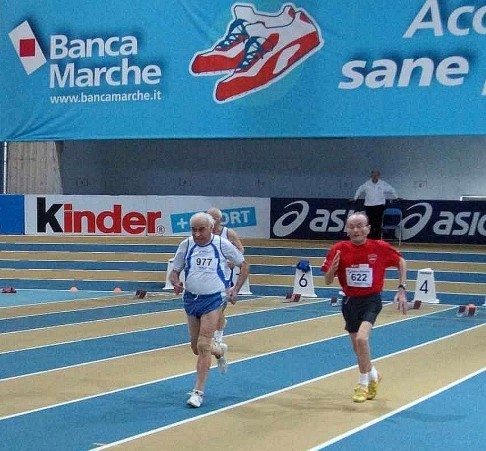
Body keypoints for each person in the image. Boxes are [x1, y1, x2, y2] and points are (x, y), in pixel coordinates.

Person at [321, 212, 407, 403]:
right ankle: (374, 375)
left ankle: (363, 383)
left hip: (371, 300)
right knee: (357, 347)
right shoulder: (338, 249)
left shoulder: (379, 247)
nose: (356, 230)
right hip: (349, 302)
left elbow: (401, 261)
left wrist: (402, 288)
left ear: (368, 229)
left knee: (362, 339)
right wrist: (332, 270)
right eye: (351, 227)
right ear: (347, 230)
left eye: (360, 226)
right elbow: (327, 281)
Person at [170, 212, 249, 408]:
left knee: (204, 344)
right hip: (191, 299)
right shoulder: (186, 245)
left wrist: (235, 289)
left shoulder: (221, 244)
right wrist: (176, 282)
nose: (197, 234)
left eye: (201, 230)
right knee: (196, 347)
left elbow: (244, 265)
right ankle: (219, 350)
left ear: (211, 228)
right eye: (193, 230)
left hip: (214, 298)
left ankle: (198, 392)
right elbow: (175, 270)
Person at [207, 207, 245, 345]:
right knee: (209, 308)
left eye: (214, 218)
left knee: (218, 308)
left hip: (224, 276)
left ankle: (218, 337)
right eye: (209, 217)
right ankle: (215, 328)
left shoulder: (228, 233)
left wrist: (233, 260)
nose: (211, 220)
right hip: (208, 275)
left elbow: (240, 249)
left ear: (220, 219)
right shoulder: (204, 233)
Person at [352, 169, 399, 239]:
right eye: (373, 175)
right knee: (370, 222)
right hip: (368, 206)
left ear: (378, 176)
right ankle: (370, 238)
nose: (374, 176)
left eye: (376, 175)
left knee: (378, 222)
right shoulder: (367, 184)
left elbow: (392, 189)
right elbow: (359, 190)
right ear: (371, 175)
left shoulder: (383, 184)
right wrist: (355, 198)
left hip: (379, 205)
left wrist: (396, 197)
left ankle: (377, 238)